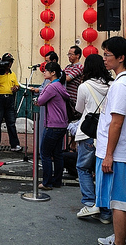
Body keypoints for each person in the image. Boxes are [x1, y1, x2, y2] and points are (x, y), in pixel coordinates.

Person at [95, 37, 126, 245]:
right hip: (118, 151)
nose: (104, 59)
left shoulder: (122, 85)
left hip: (116, 153)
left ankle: (120, 241)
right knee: (117, 200)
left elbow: (116, 123)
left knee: (119, 201)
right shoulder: (125, 81)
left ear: (121, 58)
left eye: (107, 55)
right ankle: (120, 236)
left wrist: (109, 155)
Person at [75, 54, 114, 224]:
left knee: (83, 168)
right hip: (106, 134)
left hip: (88, 132)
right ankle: (105, 213)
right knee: (103, 172)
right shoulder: (112, 85)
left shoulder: (84, 86)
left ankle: (90, 203)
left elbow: (79, 108)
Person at [35, 61, 69, 190]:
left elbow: (40, 101)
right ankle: (57, 180)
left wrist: (43, 90)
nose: (44, 72)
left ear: (53, 73)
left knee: (45, 153)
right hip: (62, 124)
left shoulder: (51, 87)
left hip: (53, 124)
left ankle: (47, 182)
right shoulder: (59, 85)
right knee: (58, 154)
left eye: (46, 70)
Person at [0, 52, 22, 152]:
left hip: (9, 99)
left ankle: (14, 144)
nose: (9, 64)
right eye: (7, 62)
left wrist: (16, 88)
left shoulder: (13, 74)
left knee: (11, 123)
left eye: (10, 62)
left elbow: (17, 85)